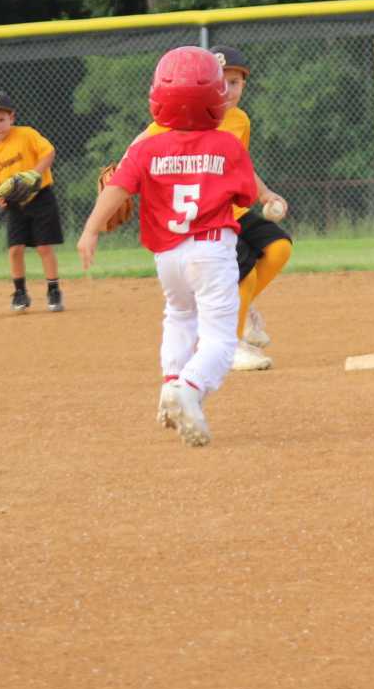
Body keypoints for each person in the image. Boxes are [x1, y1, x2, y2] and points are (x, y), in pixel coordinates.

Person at [78, 47, 258, 447]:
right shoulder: (227, 145)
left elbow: (117, 188)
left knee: (179, 316)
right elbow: (245, 196)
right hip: (211, 251)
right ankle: (189, 389)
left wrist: (90, 229)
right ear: (216, 97)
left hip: (168, 257)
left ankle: (171, 382)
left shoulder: (146, 147)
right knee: (220, 340)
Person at [131, 46, 292, 372]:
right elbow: (139, 145)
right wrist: (119, 176)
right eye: (221, 82)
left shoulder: (240, 120)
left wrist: (264, 194)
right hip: (206, 216)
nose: (228, 90)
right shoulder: (184, 116)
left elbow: (239, 163)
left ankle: (240, 311)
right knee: (243, 275)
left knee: (278, 248)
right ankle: (230, 346)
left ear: (244, 84)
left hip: (233, 210)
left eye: (235, 82)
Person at [0, 90, 66, 312]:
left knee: (44, 247)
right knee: (15, 249)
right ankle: (20, 292)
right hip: (14, 204)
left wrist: (35, 173)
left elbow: (48, 153)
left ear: (12, 117)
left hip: (40, 197)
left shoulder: (26, 135)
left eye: (1, 119)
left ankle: (53, 289)